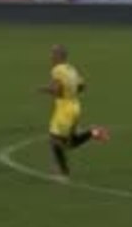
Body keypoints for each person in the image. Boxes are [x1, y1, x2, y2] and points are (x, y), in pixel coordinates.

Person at [41, 44, 110, 179]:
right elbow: (83, 86)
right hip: (75, 106)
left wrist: (44, 90)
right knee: (70, 141)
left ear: (60, 56)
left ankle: (63, 171)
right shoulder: (71, 69)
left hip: (64, 109)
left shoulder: (57, 70)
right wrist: (71, 93)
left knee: (55, 140)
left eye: (53, 54)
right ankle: (94, 132)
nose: (51, 57)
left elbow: (57, 90)